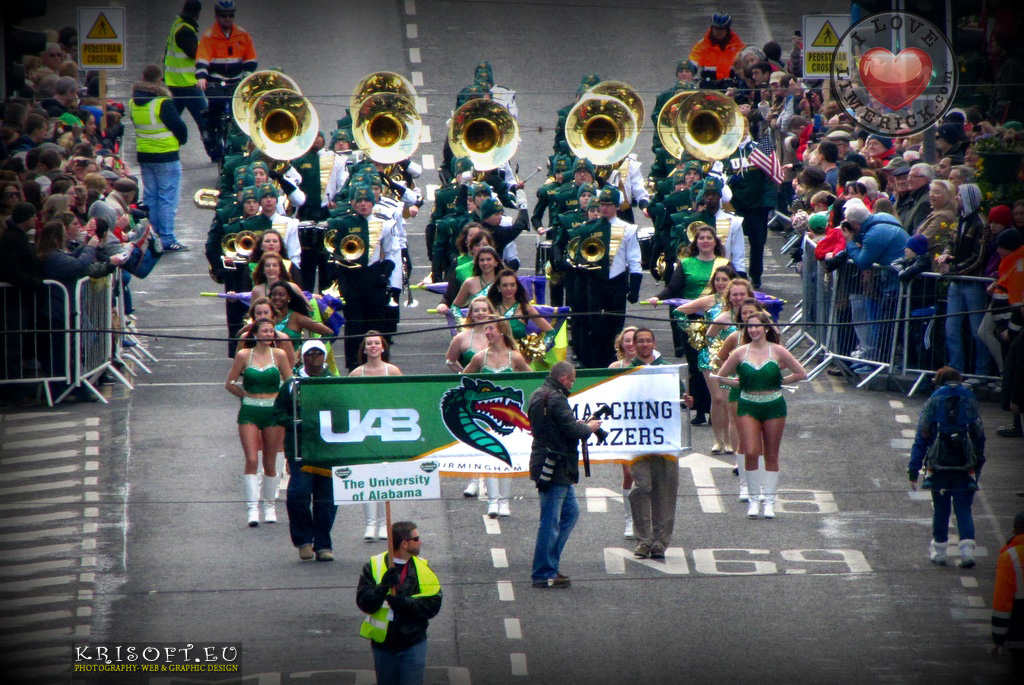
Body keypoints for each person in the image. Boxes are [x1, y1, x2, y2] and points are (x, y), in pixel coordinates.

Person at [715, 311, 807, 519]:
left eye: (757, 326)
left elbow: (801, 373)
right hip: (748, 404)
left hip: (773, 405)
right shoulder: (739, 352)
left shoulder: (778, 350)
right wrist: (737, 383)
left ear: (766, 328)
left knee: (771, 454)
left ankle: (769, 502)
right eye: (750, 326)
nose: (753, 330)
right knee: (751, 451)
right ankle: (754, 500)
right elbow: (721, 377)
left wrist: (780, 382)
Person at [528, 361, 602, 588]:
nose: (573, 383)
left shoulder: (538, 394)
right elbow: (572, 431)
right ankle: (543, 573)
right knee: (550, 521)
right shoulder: (557, 398)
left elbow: (555, 426)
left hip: (547, 462)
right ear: (563, 378)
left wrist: (574, 424)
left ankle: (550, 564)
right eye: (572, 379)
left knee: (570, 513)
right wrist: (589, 427)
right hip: (555, 466)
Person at [649, 223, 731, 425]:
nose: (704, 241)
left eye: (708, 238)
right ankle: (699, 410)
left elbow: (735, 287)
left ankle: (717, 410)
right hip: (693, 322)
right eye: (701, 238)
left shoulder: (724, 263)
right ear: (695, 242)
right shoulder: (685, 263)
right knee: (695, 365)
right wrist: (657, 298)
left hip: (717, 319)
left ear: (715, 242)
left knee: (717, 363)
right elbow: (673, 288)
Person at [907, 366, 986, 567]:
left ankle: (940, 552)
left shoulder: (933, 401)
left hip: (938, 465)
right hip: (964, 464)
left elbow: (921, 437)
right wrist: (977, 464)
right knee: (963, 508)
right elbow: (979, 435)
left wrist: (913, 469)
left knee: (941, 509)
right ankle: (967, 552)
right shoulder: (969, 399)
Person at [356, 520, 442, 685]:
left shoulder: (423, 568)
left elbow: (433, 605)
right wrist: (382, 588)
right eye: (416, 539)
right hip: (383, 646)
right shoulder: (373, 566)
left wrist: (406, 603)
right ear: (404, 543)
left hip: (413, 643)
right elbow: (364, 603)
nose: (420, 542)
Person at [224, 318, 292, 526]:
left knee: (270, 462)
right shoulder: (244, 355)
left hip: (272, 412)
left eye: (272, 331)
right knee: (252, 459)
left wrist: (282, 402)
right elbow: (230, 383)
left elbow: (290, 382)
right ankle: (252, 509)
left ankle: (269, 506)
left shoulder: (279, 355)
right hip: (250, 411)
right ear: (255, 334)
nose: (269, 335)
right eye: (265, 331)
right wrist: (244, 396)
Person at [275, 340, 338, 561]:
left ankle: (323, 544)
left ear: (324, 357)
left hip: (328, 450)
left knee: (327, 498)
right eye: (310, 354)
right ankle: (303, 540)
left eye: (318, 354)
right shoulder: (292, 383)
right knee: (299, 494)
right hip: (300, 449)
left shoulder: (333, 383)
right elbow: (278, 413)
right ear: (303, 357)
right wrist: (295, 422)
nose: (314, 358)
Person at [328, 185, 402, 369]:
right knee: (353, 324)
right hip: (351, 279)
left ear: (373, 202)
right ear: (352, 202)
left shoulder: (385, 223)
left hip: (374, 279)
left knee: (376, 323)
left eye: (366, 200)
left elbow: (392, 252)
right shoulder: (342, 222)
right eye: (359, 201)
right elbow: (331, 249)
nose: (363, 204)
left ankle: (381, 364)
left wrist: (386, 273)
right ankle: (354, 364)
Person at [626, 328, 681, 558]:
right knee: (642, 487)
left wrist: (686, 399)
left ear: (654, 343)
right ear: (634, 345)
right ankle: (643, 539)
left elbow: (680, 397)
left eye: (649, 340)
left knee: (665, 490)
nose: (645, 344)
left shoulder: (668, 368)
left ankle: (660, 541)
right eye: (641, 341)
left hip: (665, 438)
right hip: (638, 439)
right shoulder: (626, 371)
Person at [350, 332, 403, 541]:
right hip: (364, 430)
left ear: (383, 348)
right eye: (369, 343)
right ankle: (370, 524)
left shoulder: (393, 371)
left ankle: (383, 523)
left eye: (377, 343)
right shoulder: (355, 374)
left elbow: (403, 398)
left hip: (387, 428)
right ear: (364, 349)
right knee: (367, 473)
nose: (373, 346)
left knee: (385, 473)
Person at [130, 64, 189, 251]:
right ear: (159, 80)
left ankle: (151, 238)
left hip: (145, 157)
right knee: (167, 198)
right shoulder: (162, 102)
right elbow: (180, 127)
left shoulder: (133, 102)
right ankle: (167, 239)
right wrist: (180, 141)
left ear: (142, 77)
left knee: (151, 197)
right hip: (166, 157)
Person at [715, 298, 767, 501]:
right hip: (740, 391)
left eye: (751, 313)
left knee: (761, 439)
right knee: (745, 438)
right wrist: (734, 373)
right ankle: (745, 485)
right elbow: (720, 360)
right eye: (744, 314)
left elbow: (780, 359)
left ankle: (760, 484)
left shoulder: (770, 339)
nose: (747, 318)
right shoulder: (735, 338)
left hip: (764, 393)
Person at [195, 0, 257, 162]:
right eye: (224, 16)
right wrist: (201, 77)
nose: (228, 19)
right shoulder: (210, 36)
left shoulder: (242, 35)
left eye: (230, 15)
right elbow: (202, 59)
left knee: (243, 108)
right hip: (216, 81)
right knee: (217, 102)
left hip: (237, 81)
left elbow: (250, 59)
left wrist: (248, 74)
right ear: (217, 17)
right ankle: (209, 130)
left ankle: (243, 142)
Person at [609, 326, 639, 538]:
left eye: (634, 340)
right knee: (629, 473)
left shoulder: (651, 366)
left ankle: (645, 519)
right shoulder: (614, 367)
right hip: (625, 426)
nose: (631, 344)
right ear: (622, 344)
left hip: (648, 426)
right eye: (627, 340)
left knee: (649, 476)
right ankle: (630, 520)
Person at [164, 0, 206, 131]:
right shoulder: (186, 31)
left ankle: (169, 143)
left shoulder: (176, 25)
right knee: (205, 122)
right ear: (197, 15)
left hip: (174, 84)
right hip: (188, 85)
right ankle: (214, 149)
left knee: (170, 123)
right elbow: (198, 56)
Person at [992, 510, 1024, 679]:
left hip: (1020, 630)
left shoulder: (1010, 557)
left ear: (1015, 529)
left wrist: (998, 638)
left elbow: (1002, 602)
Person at [487, 268, 552, 343]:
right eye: (505, 285)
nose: (509, 288)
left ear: (517, 286)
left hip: (518, 353)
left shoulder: (525, 308)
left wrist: (540, 348)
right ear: (498, 287)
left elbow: (550, 331)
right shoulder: (491, 308)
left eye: (512, 285)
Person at [444, 296, 496, 372]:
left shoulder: (500, 336)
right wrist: (465, 374)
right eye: (476, 310)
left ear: (490, 313)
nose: (480, 313)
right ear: (471, 314)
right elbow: (450, 361)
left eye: (484, 310)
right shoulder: (461, 337)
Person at [689, 13, 745, 81]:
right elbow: (692, 62)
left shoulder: (738, 46)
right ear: (712, 28)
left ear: (727, 30)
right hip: (708, 85)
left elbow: (748, 64)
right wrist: (688, 72)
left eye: (721, 29)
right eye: (716, 28)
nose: (718, 31)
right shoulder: (702, 45)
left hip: (732, 85)